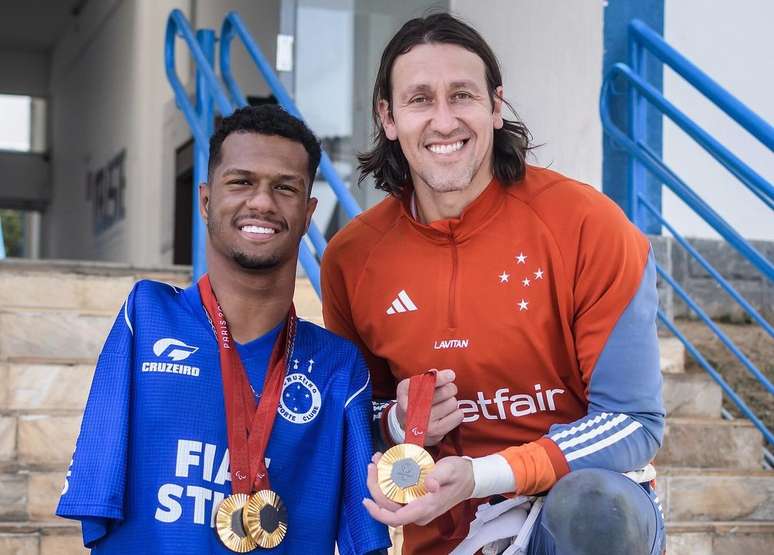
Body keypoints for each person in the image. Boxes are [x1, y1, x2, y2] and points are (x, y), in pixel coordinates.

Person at [321, 13, 665, 555]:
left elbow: (633, 420)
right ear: (387, 117)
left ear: (495, 106)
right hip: (445, 533)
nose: (443, 120)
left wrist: (486, 474)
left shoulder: (587, 225)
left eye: (462, 95)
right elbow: (347, 419)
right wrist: (396, 418)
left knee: (594, 506)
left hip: (572, 519)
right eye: (419, 100)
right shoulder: (352, 258)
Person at [57, 105, 390, 554]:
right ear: (206, 199)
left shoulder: (338, 365)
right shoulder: (146, 317)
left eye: (285, 187)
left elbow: (363, 540)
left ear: (309, 212)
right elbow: (96, 506)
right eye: (241, 181)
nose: (262, 202)